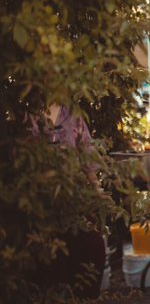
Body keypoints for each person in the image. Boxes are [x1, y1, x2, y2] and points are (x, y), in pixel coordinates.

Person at [26, 104, 106, 299]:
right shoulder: (26, 113)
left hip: (73, 197)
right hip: (40, 201)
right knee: (50, 264)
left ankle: (84, 298)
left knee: (92, 248)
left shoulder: (72, 114)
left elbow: (86, 154)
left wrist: (98, 190)